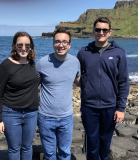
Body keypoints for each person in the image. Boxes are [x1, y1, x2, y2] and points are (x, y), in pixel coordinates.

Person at [77, 17, 130, 160]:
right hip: (89, 106)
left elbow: (123, 82)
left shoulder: (119, 53)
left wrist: (121, 108)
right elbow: (77, 76)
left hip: (110, 107)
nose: (101, 32)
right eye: (98, 29)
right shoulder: (83, 52)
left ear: (110, 32)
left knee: (105, 144)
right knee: (91, 145)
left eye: (104, 30)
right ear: (93, 31)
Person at [0, 32, 39, 160]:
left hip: (31, 113)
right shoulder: (6, 65)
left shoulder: (32, 64)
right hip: (11, 113)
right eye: (20, 44)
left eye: (27, 45)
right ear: (14, 46)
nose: (23, 48)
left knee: (27, 147)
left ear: (31, 46)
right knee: (14, 148)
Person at [36, 29, 80, 160]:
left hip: (66, 117)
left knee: (65, 153)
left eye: (65, 42)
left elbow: (78, 81)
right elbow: (33, 86)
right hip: (45, 117)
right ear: (53, 43)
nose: (61, 45)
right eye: (58, 42)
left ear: (70, 44)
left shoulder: (75, 62)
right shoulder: (42, 63)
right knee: (49, 154)